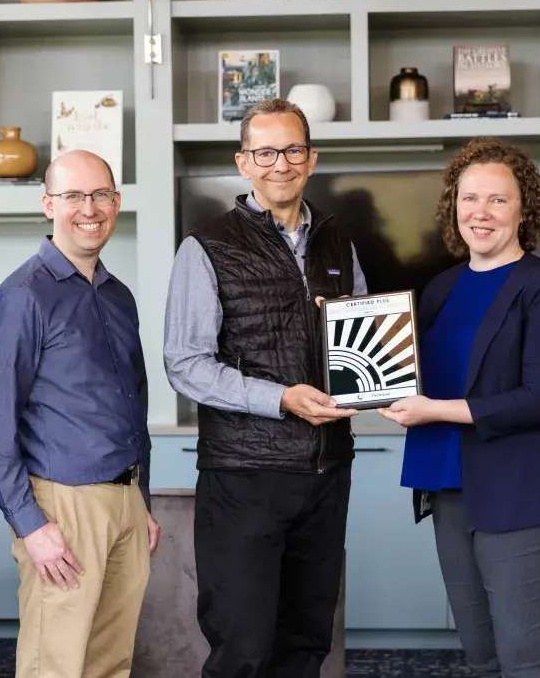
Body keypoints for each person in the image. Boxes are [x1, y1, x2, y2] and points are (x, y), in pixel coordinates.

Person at [163, 98, 367, 677]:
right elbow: (186, 364)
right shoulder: (205, 247)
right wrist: (279, 398)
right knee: (243, 651)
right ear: (244, 162)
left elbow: (360, 340)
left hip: (327, 473)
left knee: (306, 645)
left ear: (311, 158)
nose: (281, 163)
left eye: (293, 150)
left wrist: (370, 371)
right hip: (244, 478)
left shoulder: (338, 242)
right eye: (266, 151)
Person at [378, 139, 540, 678]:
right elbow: (412, 374)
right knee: (482, 657)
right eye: (469, 198)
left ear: (524, 210)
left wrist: (434, 411)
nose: (481, 213)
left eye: (498, 199)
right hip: (450, 491)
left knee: (527, 662)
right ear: (453, 206)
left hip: (522, 497)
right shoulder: (441, 289)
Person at [0, 150, 159, 678]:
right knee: (54, 665)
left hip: (123, 502)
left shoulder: (118, 296)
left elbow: (133, 404)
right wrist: (30, 525)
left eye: (101, 194)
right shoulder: (21, 298)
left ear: (117, 202)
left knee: (110, 663)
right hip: (62, 507)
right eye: (74, 196)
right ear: (48, 204)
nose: (90, 208)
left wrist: (139, 499)